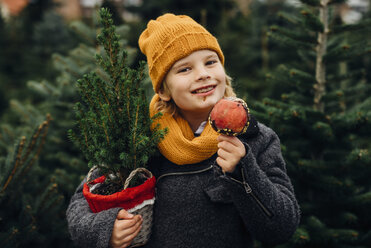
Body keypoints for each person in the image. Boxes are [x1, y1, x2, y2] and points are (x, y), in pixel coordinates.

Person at [67, 13, 300, 248]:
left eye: (210, 62)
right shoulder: (141, 141)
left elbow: (281, 227)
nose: (202, 74)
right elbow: (80, 206)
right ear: (164, 90)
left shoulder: (256, 138)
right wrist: (107, 229)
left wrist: (242, 171)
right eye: (184, 69)